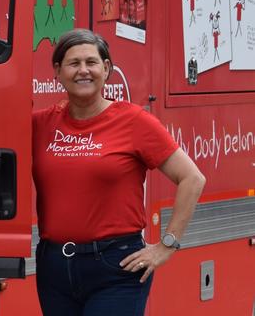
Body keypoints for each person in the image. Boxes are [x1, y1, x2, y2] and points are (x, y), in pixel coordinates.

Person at [32, 28, 206, 316]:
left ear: (107, 69)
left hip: (116, 266)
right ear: (58, 72)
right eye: (74, 63)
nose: (83, 71)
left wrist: (166, 246)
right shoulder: (41, 124)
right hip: (54, 267)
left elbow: (192, 178)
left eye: (92, 62)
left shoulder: (133, 121)